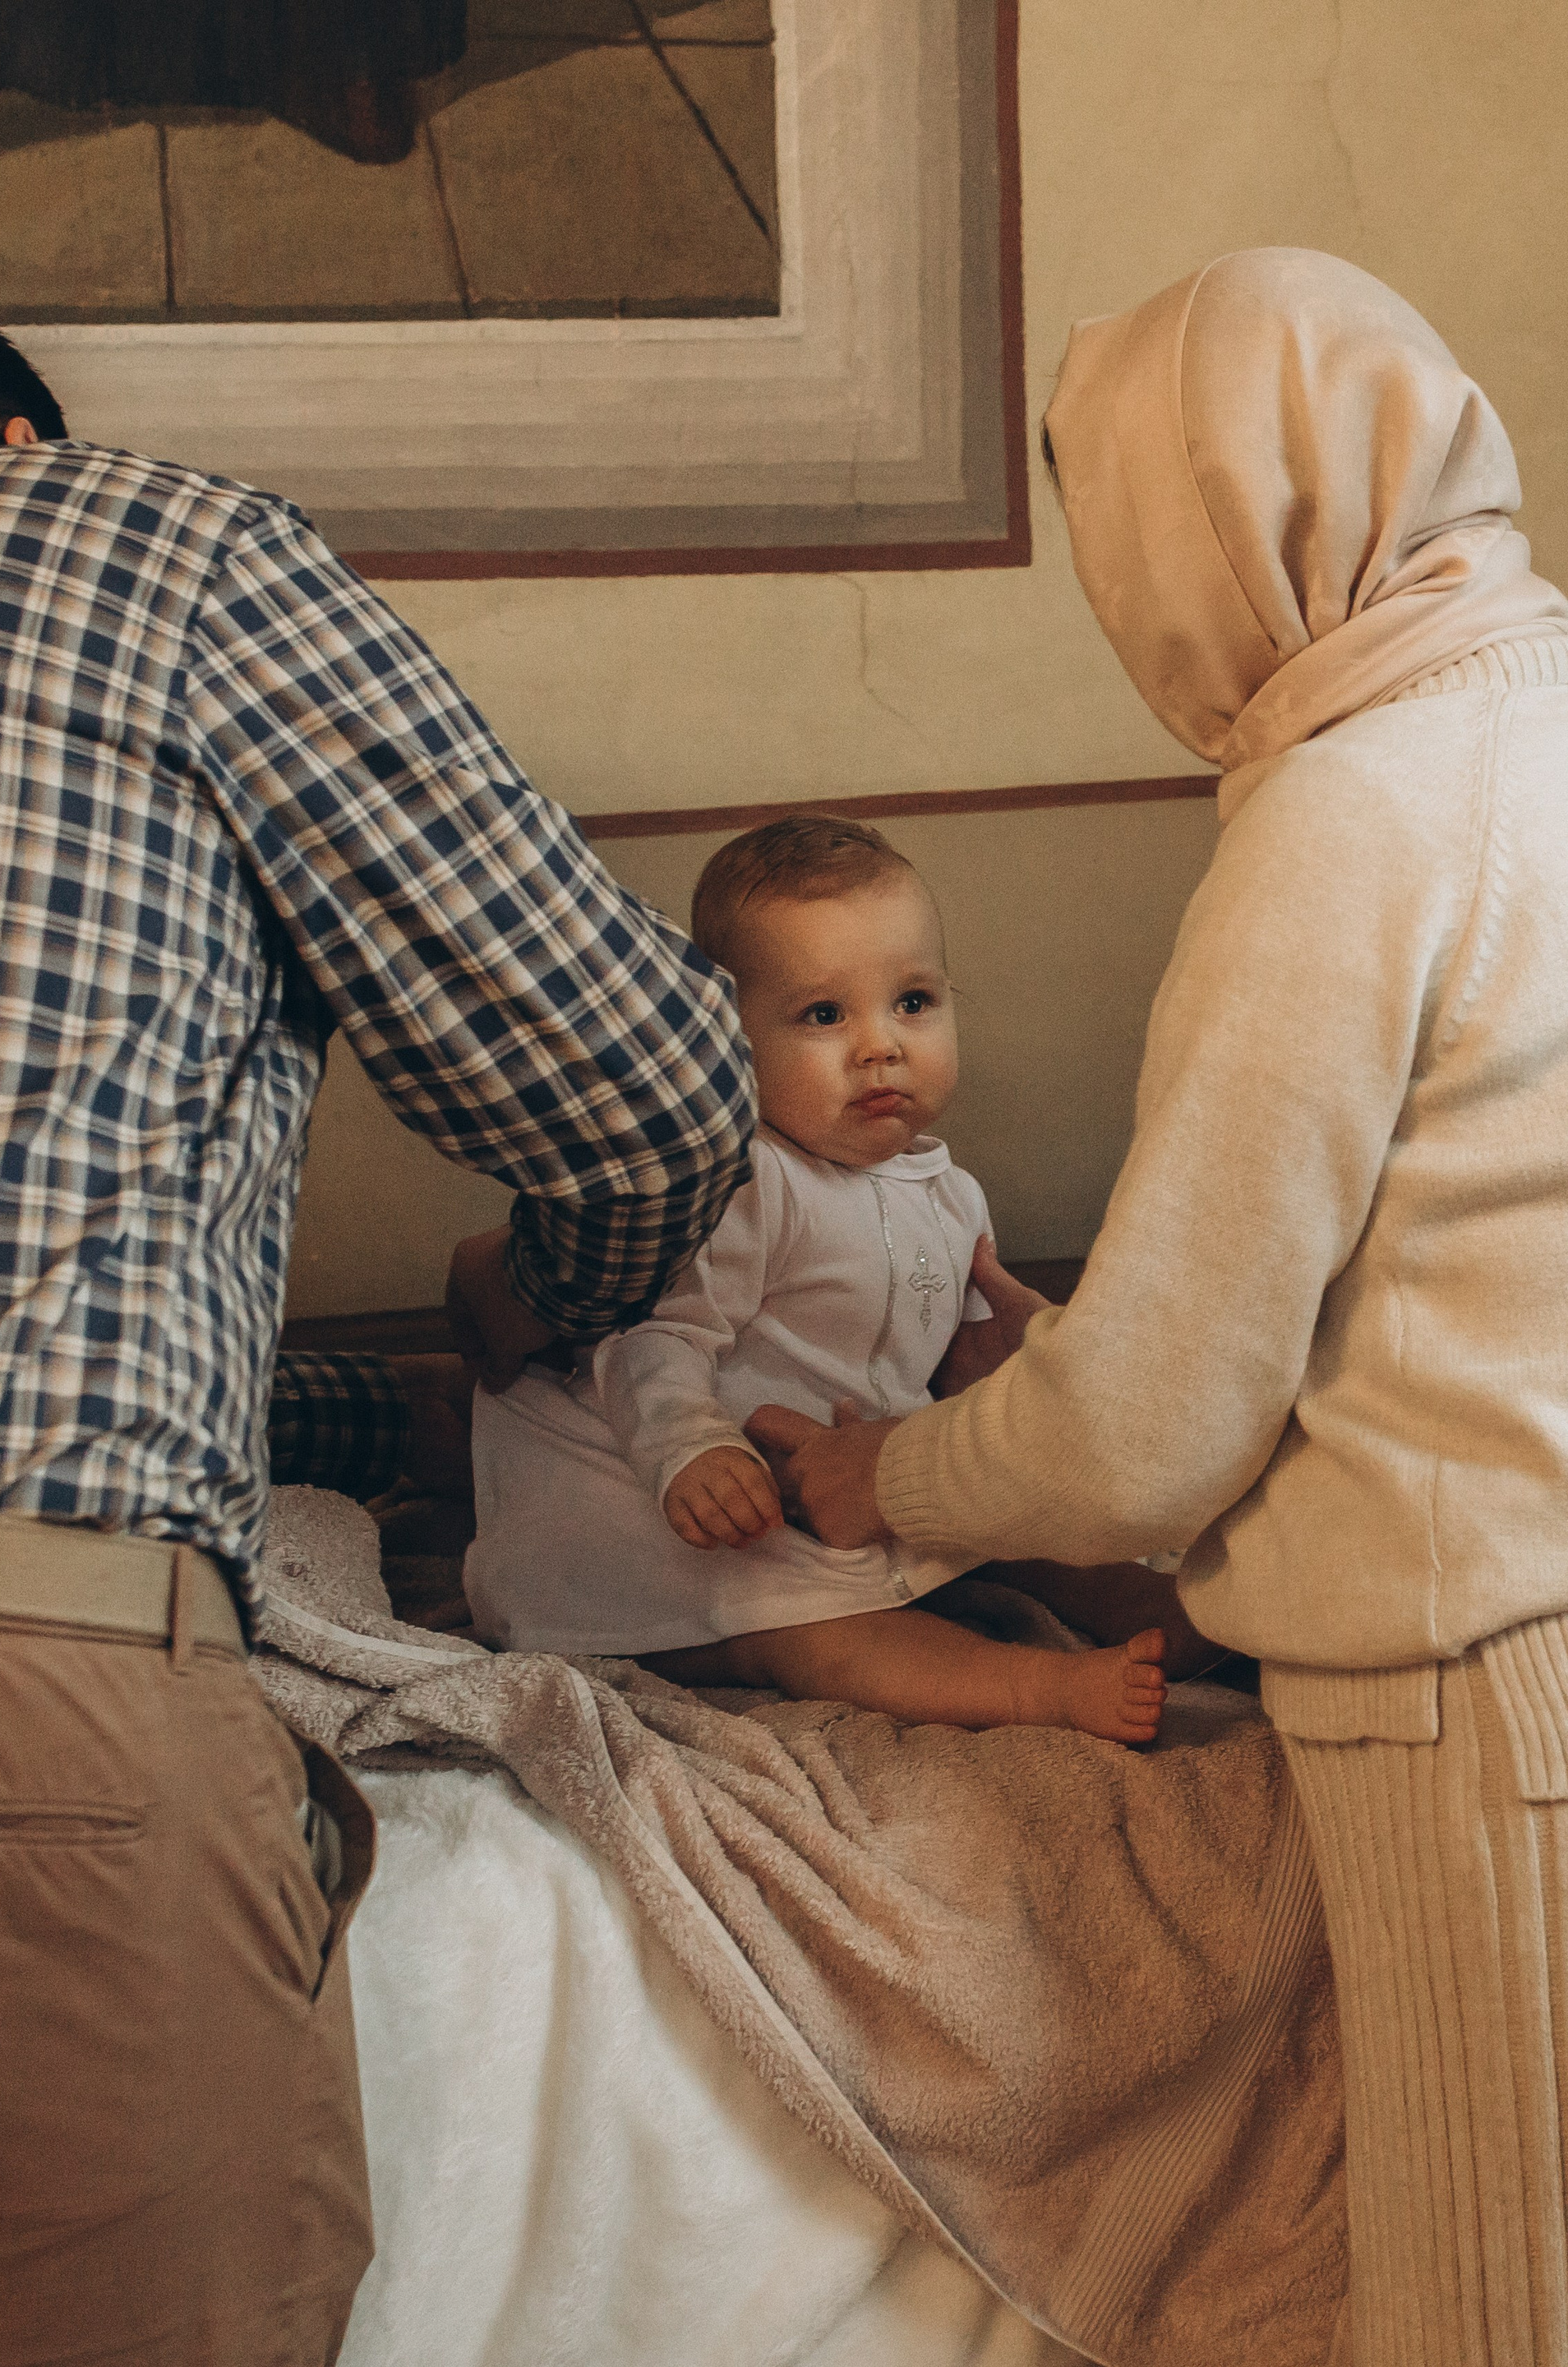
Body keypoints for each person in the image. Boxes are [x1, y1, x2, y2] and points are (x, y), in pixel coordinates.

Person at [749, 247, 1568, 2365]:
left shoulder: (1352, 811)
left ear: (1215, 518)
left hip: (1486, 1679)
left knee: (1499, 2289)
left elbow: (1147, 1431)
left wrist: (895, 1467)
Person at [0, 321, 755, 2365]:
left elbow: (73, 1325)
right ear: (17, 435)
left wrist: (389, 1411)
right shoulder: (148, 554)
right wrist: (553, 1306)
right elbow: (646, 1096)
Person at [466, 813, 1199, 1741]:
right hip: (689, 1519)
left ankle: (1153, 1602)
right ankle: (1034, 1689)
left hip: (842, 1484)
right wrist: (694, 1449)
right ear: (730, 1043)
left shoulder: (950, 1193)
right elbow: (655, 1337)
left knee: (1005, 1528)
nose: (879, 1046)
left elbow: (947, 1354)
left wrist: (1010, 1373)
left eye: (913, 1002)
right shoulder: (748, 1182)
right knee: (817, 1635)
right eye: (824, 1016)